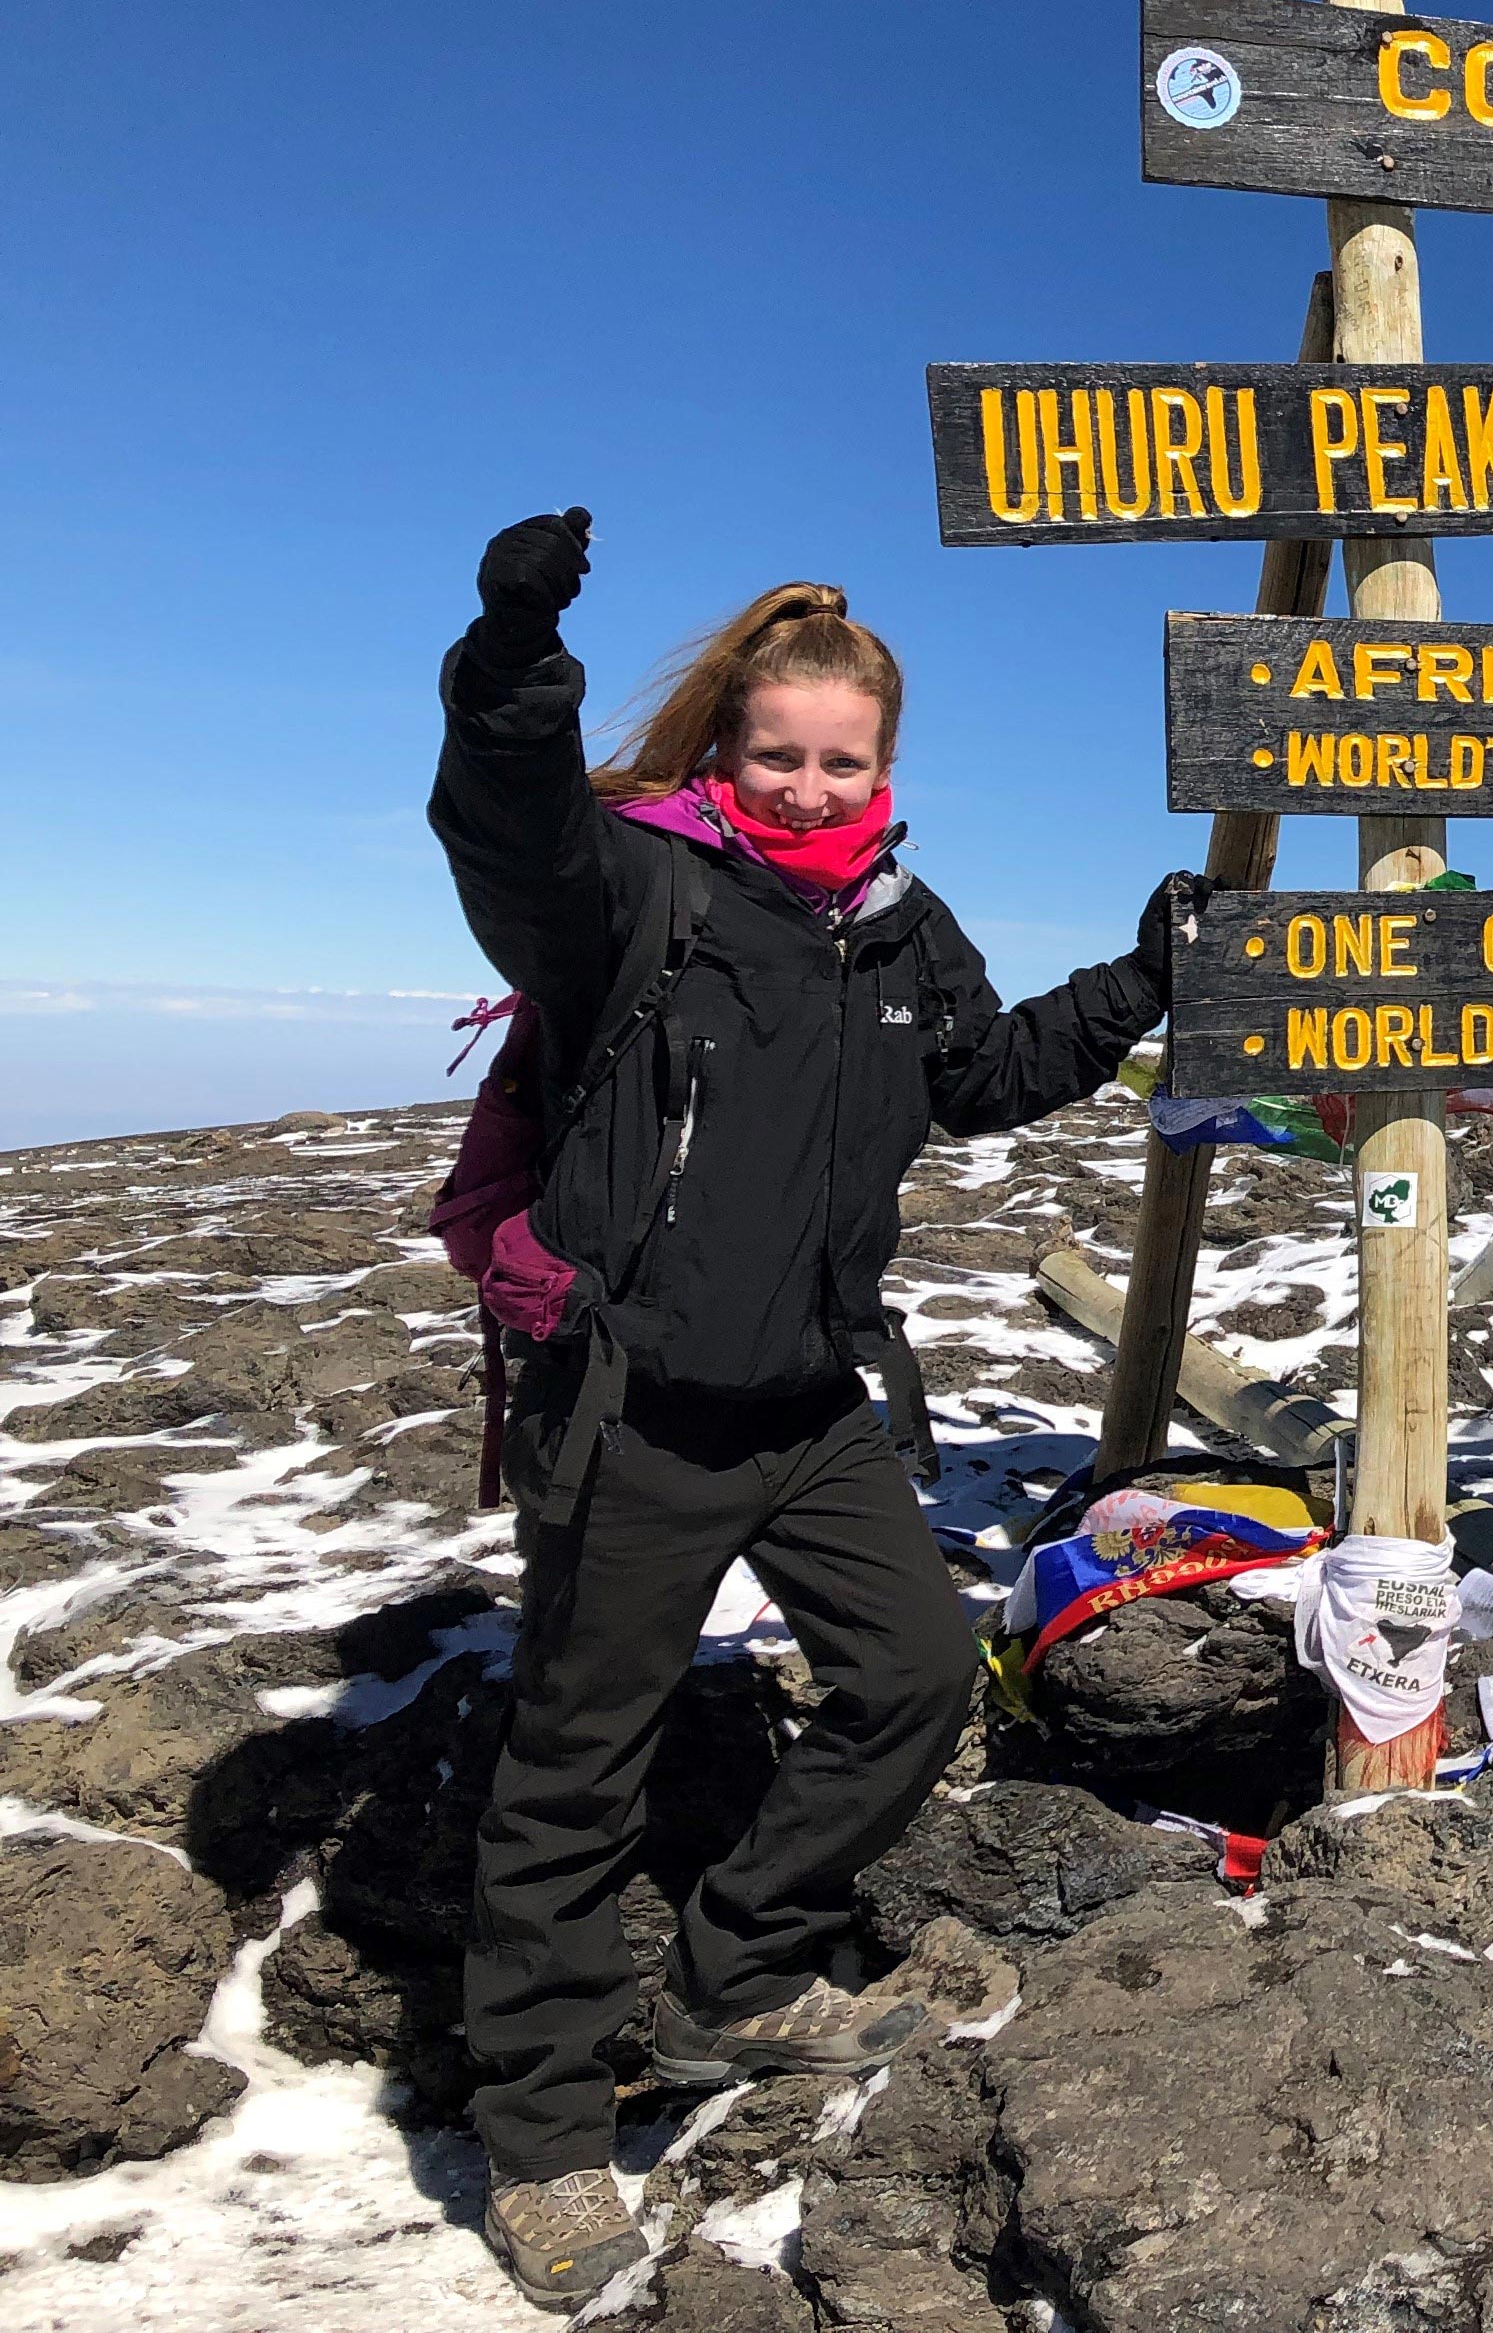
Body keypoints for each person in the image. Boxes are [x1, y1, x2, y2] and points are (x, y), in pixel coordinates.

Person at [431, 508, 1197, 2311]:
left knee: (923, 1677)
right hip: (632, 1409)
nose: (800, 783)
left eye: (837, 759)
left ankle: (737, 1980)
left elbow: (984, 1077)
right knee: (573, 1778)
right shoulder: (633, 892)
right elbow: (505, 826)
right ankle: (541, 2143)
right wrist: (512, 655)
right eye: (774, 753)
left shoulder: (897, 926)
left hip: (806, 1403)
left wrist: (1144, 976)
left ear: (886, 765)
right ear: (725, 746)